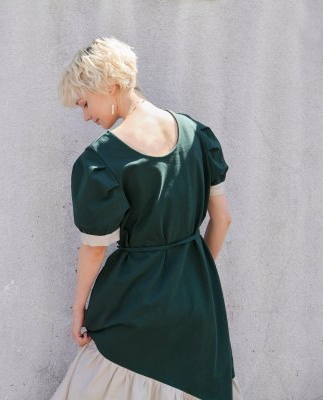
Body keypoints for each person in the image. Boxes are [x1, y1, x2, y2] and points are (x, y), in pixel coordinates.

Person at [50, 37, 245, 400]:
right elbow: (223, 220)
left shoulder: (100, 160)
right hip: (196, 304)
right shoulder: (198, 135)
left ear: (109, 85)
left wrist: (78, 310)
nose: (86, 115)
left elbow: (95, 250)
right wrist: (188, 277)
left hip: (132, 305)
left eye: (85, 102)